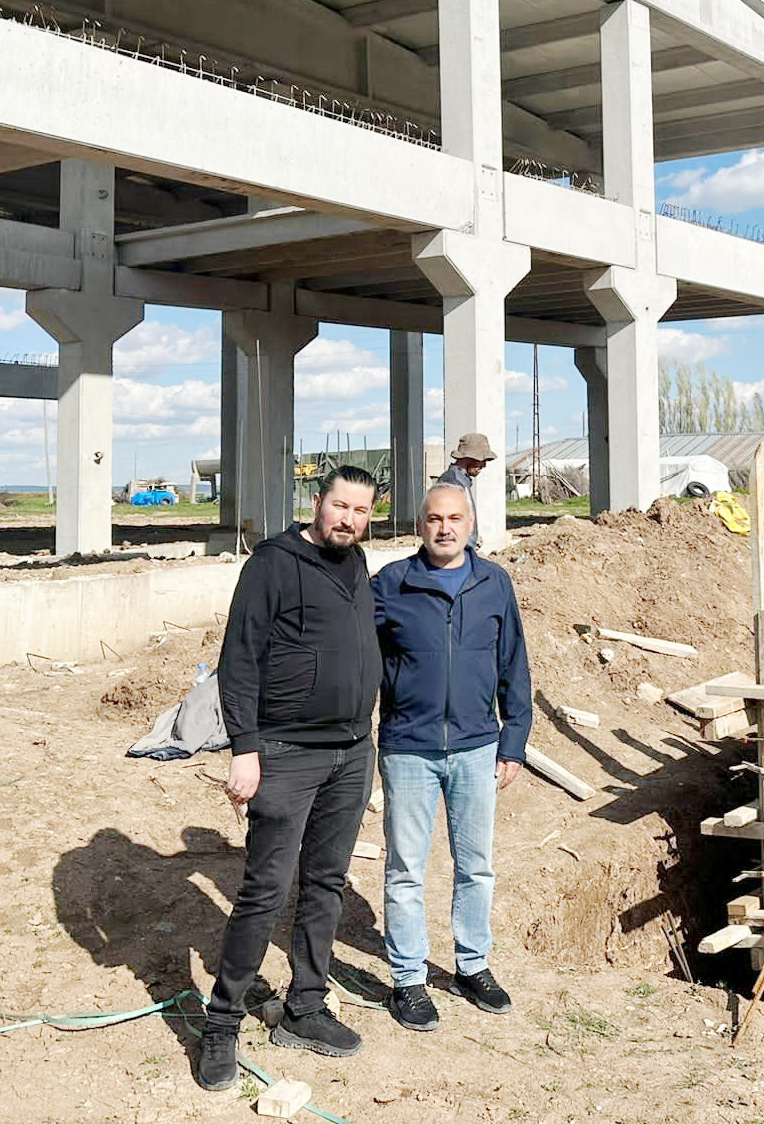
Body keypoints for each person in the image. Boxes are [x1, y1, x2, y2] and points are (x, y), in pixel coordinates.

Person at [200, 465, 382, 1091]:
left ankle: (306, 1007)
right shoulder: (273, 564)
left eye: (361, 512)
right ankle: (221, 1022)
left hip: (352, 751)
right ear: (317, 502)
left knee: (327, 882)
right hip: (286, 752)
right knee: (265, 890)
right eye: (339, 507)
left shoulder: (357, 564)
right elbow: (239, 660)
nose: (348, 520)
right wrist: (244, 749)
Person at [371, 482, 532, 1032]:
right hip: (408, 749)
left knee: (476, 867)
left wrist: (513, 741)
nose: (445, 527)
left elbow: (514, 666)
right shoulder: (391, 584)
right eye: (435, 518)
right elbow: (357, 660)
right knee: (405, 871)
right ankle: (409, 979)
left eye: (455, 518)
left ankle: (472, 965)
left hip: (476, 747)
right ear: (420, 525)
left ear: (471, 524)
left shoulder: (494, 584)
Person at [437, 432, 496, 551]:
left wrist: (473, 538)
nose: (483, 465)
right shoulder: (452, 482)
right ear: (468, 458)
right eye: (481, 459)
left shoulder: (461, 480)